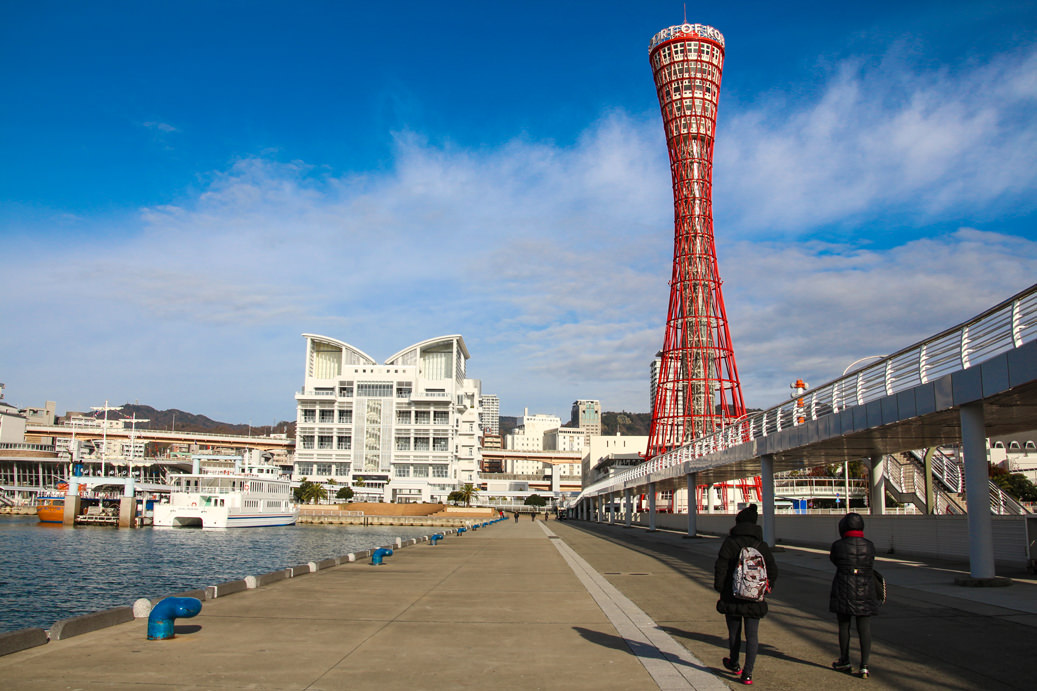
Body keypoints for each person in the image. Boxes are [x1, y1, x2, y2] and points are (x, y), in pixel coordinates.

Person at [713, 504, 777, 686]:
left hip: (732, 594)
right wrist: (767, 586)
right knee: (752, 635)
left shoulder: (730, 543)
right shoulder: (761, 545)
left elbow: (721, 567)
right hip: (754, 596)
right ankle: (748, 674)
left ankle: (734, 663)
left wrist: (720, 587)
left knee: (734, 633)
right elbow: (772, 570)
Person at [829, 512, 879, 679]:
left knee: (844, 626)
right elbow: (871, 562)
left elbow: (834, 561)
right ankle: (864, 665)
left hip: (844, 587)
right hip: (865, 589)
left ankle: (845, 660)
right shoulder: (869, 545)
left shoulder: (838, 545)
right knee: (864, 628)